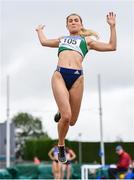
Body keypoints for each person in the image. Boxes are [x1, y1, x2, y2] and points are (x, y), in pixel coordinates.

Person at [36, 12, 116, 163]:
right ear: (67, 25)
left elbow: (112, 46)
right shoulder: (62, 39)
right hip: (59, 75)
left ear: (81, 24)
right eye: (70, 21)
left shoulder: (87, 41)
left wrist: (112, 26)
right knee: (66, 116)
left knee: (72, 121)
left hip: (77, 78)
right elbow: (44, 42)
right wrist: (39, 31)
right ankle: (61, 146)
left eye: (76, 20)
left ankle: (62, 106)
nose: (73, 22)